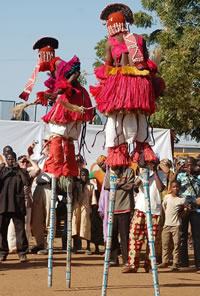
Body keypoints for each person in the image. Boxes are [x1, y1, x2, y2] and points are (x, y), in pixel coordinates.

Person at [90, 3, 165, 168]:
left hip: (122, 85)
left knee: (115, 120)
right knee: (140, 118)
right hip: (141, 85)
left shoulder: (110, 42)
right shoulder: (138, 39)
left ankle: (118, 155)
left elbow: (108, 68)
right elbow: (145, 62)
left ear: (110, 25)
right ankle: (142, 151)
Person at [19, 36, 93, 178]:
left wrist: (64, 87)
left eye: (40, 57)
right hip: (72, 99)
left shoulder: (58, 63)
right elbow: (55, 91)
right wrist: (47, 97)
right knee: (67, 138)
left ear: (45, 55)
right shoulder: (53, 70)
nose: (38, 61)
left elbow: (76, 72)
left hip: (73, 98)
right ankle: (69, 169)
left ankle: (55, 168)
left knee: (56, 132)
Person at [123, 163, 166, 273]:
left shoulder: (161, 175)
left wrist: (155, 172)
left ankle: (150, 265)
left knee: (153, 239)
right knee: (135, 236)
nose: (150, 165)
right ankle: (133, 264)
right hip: (140, 208)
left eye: (152, 163)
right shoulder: (142, 174)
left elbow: (161, 188)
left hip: (154, 210)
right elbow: (135, 187)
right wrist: (139, 180)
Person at [171, 157, 200, 273]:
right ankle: (183, 262)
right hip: (183, 208)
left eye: (191, 164)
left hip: (196, 209)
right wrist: (177, 170)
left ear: (194, 165)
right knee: (182, 235)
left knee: (197, 237)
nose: (188, 167)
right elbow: (172, 184)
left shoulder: (198, 176)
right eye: (187, 165)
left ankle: (198, 263)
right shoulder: (181, 176)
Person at [0, 152, 30, 262]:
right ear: (6, 160)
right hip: (3, 205)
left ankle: (22, 253)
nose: (11, 161)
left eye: (13, 159)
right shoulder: (3, 171)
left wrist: (18, 170)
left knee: (20, 230)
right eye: (9, 159)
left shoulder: (21, 171)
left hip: (17, 205)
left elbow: (27, 183)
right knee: (2, 230)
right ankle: (3, 252)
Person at [7, 154, 40, 253]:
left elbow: (37, 170)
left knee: (25, 225)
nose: (25, 163)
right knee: (12, 225)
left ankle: (24, 246)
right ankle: (12, 246)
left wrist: (29, 159)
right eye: (23, 162)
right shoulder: (13, 173)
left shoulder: (28, 174)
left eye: (26, 162)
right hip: (14, 203)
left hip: (26, 203)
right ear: (18, 163)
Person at [104, 166, 135, 270]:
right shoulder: (111, 172)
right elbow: (107, 186)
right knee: (112, 234)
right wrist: (122, 185)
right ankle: (113, 259)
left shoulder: (129, 171)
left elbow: (130, 186)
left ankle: (126, 260)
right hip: (113, 207)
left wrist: (117, 185)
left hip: (125, 207)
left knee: (124, 235)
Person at [158, 180, 185, 271]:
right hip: (167, 225)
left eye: (177, 187)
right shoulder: (167, 197)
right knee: (165, 244)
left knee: (176, 245)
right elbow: (164, 206)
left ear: (179, 188)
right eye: (174, 187)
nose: (176, 188)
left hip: (176, 225)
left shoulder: (181, 200)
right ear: (171, 188)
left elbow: (185, 209)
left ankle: (175, 262)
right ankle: (165, 261)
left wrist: (182, 213)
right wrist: (166, 214)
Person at [72, 168, 97, 254]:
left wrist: (92, 212)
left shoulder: (91, 186)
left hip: (86, 209)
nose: (84, 177)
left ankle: (88, 247)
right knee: (75, 226)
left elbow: (93, 200)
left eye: (86, 175)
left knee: (86, 227)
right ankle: (75, 246)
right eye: (82, 175)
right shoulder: (76, 185)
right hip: (76, 208)